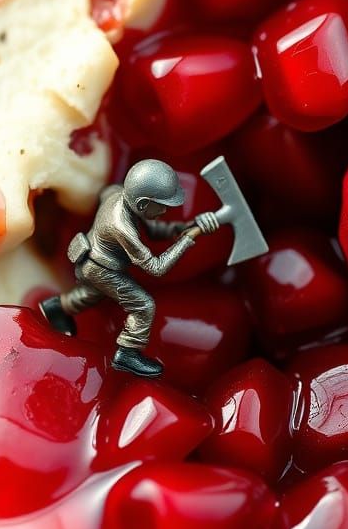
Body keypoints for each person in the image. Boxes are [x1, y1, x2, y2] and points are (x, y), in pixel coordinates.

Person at [39, 159, 220, 378]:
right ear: (143, 204)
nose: (164, 210)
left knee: (91, 294)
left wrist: (187, 227)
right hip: (100, 268)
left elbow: (153, 230)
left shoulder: (118, 193)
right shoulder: (121, 228)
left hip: (89, 258)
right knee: (143, 305)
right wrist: (188, 239)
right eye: (162, 205)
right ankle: (127, 352)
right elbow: (156, 267)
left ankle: (55, 308)